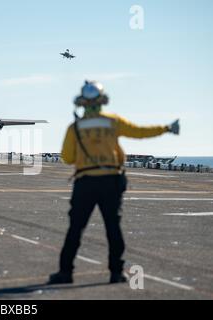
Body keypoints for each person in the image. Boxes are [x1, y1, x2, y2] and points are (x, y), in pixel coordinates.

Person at [48, 81, 179, 284]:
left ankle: (65, 273)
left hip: (85, 183)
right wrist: (166, 128)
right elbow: (139, 132)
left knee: (76, 228)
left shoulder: (75, 127)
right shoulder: (112, 121)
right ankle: (117, 272)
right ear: (102, 101)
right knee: (113, 228)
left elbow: (67, 157)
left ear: (82, 103)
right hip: (111, 182)